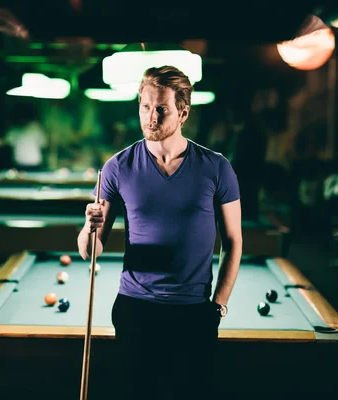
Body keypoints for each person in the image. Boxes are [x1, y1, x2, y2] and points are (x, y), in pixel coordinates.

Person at [77, 66, 243, 400]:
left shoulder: (216, 167)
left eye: (161, 109)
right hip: (135, 308)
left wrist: (219, 304)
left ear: (183, 112)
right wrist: (88, 226)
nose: (151, 117)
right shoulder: (117, 167)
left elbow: (234, 240)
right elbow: (90, 251)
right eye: (145, 107)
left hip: (193, 312)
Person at [4, 102, 47, 171]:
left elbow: (44, 144)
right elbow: (7, 143)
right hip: (20, 164)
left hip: (34, 163)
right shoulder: (14, 129)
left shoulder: (36, 127)